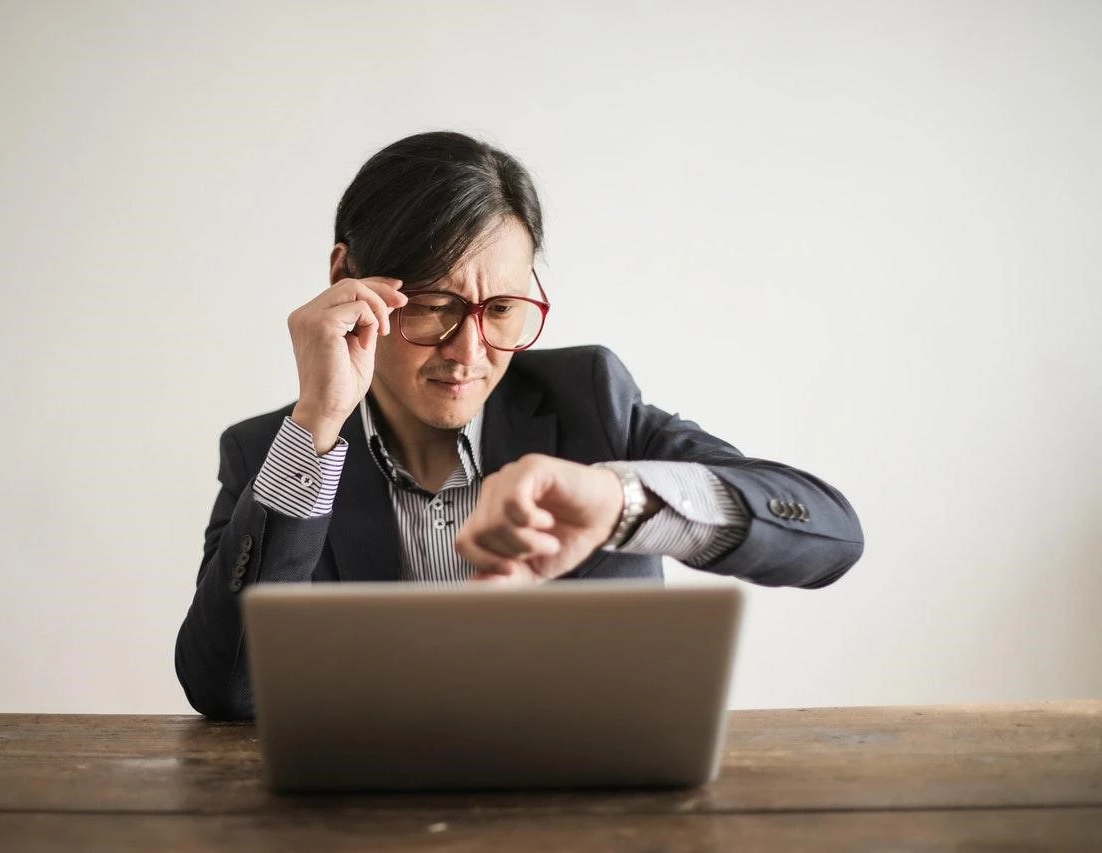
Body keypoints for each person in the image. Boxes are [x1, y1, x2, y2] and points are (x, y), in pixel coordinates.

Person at [175, 131, 864, 720]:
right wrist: (318, 425)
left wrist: (621, 504)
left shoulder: (590, 400)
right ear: (346, 281)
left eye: (502, 309)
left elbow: (829, 534)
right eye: (434, 306)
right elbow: (226, 689)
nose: (469, 354)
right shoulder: (272, 452)